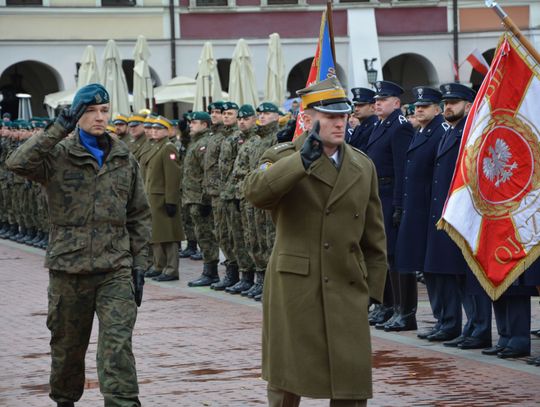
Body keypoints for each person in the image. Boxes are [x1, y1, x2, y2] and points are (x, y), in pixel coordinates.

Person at [244, 76, 387, 406]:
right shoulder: (282, 156)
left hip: (346, 284)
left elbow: (374, 237)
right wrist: (301, 162)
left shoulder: (362, 166)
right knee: (287, 380)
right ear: (306, 120)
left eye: (343, 116)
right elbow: (257, 192)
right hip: (296, 287)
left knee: (350, 382)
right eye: (330, 117)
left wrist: (372, 290)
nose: (340, 123)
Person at [6, 83, 151, 407]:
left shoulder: (123, 157)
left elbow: (139, 214)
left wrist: (139, 264)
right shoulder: (57, 154)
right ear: (76, 115)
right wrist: (59, 128)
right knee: (68, 348)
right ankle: (65, 401)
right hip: (68, 270)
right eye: (89, 111)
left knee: (117, 346)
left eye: (103, 110)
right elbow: (17, 162)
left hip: (114, 267)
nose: (99, 118)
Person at [422, 83, 492, 348]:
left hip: (466, 213)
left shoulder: (470, 132)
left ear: (468, 104)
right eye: (446, 103)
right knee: (456, 273)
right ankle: (471, 326)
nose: (448, 107)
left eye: (454, 102)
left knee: (469, 273)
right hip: (448, 213)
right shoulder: (450, 132)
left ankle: (480, 327)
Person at [387, 86, 448, 332]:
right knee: (424, 265)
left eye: (424, 106)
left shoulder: (438, 132)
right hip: (416, 208)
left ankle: (447, 319)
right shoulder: (421, 131)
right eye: (417, 107)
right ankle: (442, 318)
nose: (418, 110)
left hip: (429, 209)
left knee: (436, 267)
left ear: (437, 109)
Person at [365, 80, 414, 327]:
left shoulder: (399, 127)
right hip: (378, 195)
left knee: (396, 255)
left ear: (396, 103)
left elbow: (401, 168)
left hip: (390, 194)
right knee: (384, 255)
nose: (377, 104)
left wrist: (399, 205)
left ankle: (404, 311)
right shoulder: (381, 125)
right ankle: (389, 306)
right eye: (375, 100)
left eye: (382, 100)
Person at [144, 116, 184, 282]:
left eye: (158, 129)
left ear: (167, 131)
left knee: (168, 235)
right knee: (157, 235)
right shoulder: (156, 146)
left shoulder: (168, 148)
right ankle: (159, 265)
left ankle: (171, 269)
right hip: (153, 197)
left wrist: (171, 200)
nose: (154, 131)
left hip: (163, 198)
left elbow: (172, 176)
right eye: (153, 128)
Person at [347, 87, 378, 152]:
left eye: (361, 105)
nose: (356, 109)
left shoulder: (376, 128)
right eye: (355, 105)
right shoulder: (359, 128)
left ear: (372, 107)